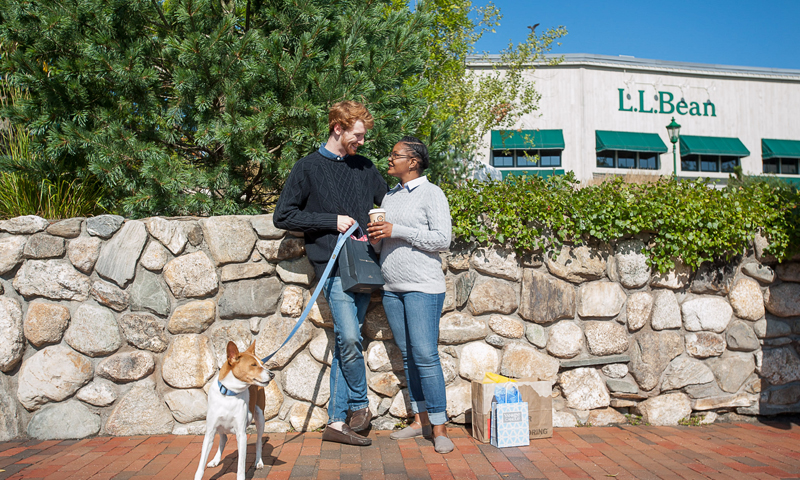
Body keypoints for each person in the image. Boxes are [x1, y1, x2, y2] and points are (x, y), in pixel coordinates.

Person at [273, 101, 388, 446]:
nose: (362, 142)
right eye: (358, 135)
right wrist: (330, 221)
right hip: (333, 268)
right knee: (350, 338)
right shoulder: (307, 167)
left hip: (365, 267)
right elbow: (283, 216)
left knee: (344, 342)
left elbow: (388, 202)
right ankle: (360, 404)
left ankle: (336, 423)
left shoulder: (365, 167)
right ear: (338, 128)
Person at [367, 136, 454, 454]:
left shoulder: (432, 193)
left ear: (413, 161)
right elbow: (385, 244)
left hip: (422, 287)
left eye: (395, 155)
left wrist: (396, 230)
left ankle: (440, 428)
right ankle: (420, 421)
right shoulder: (389, 196)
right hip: (392, 289)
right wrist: (376, 237)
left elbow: (442, 239)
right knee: (408, 356)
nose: (389, 159)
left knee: (425, 356)